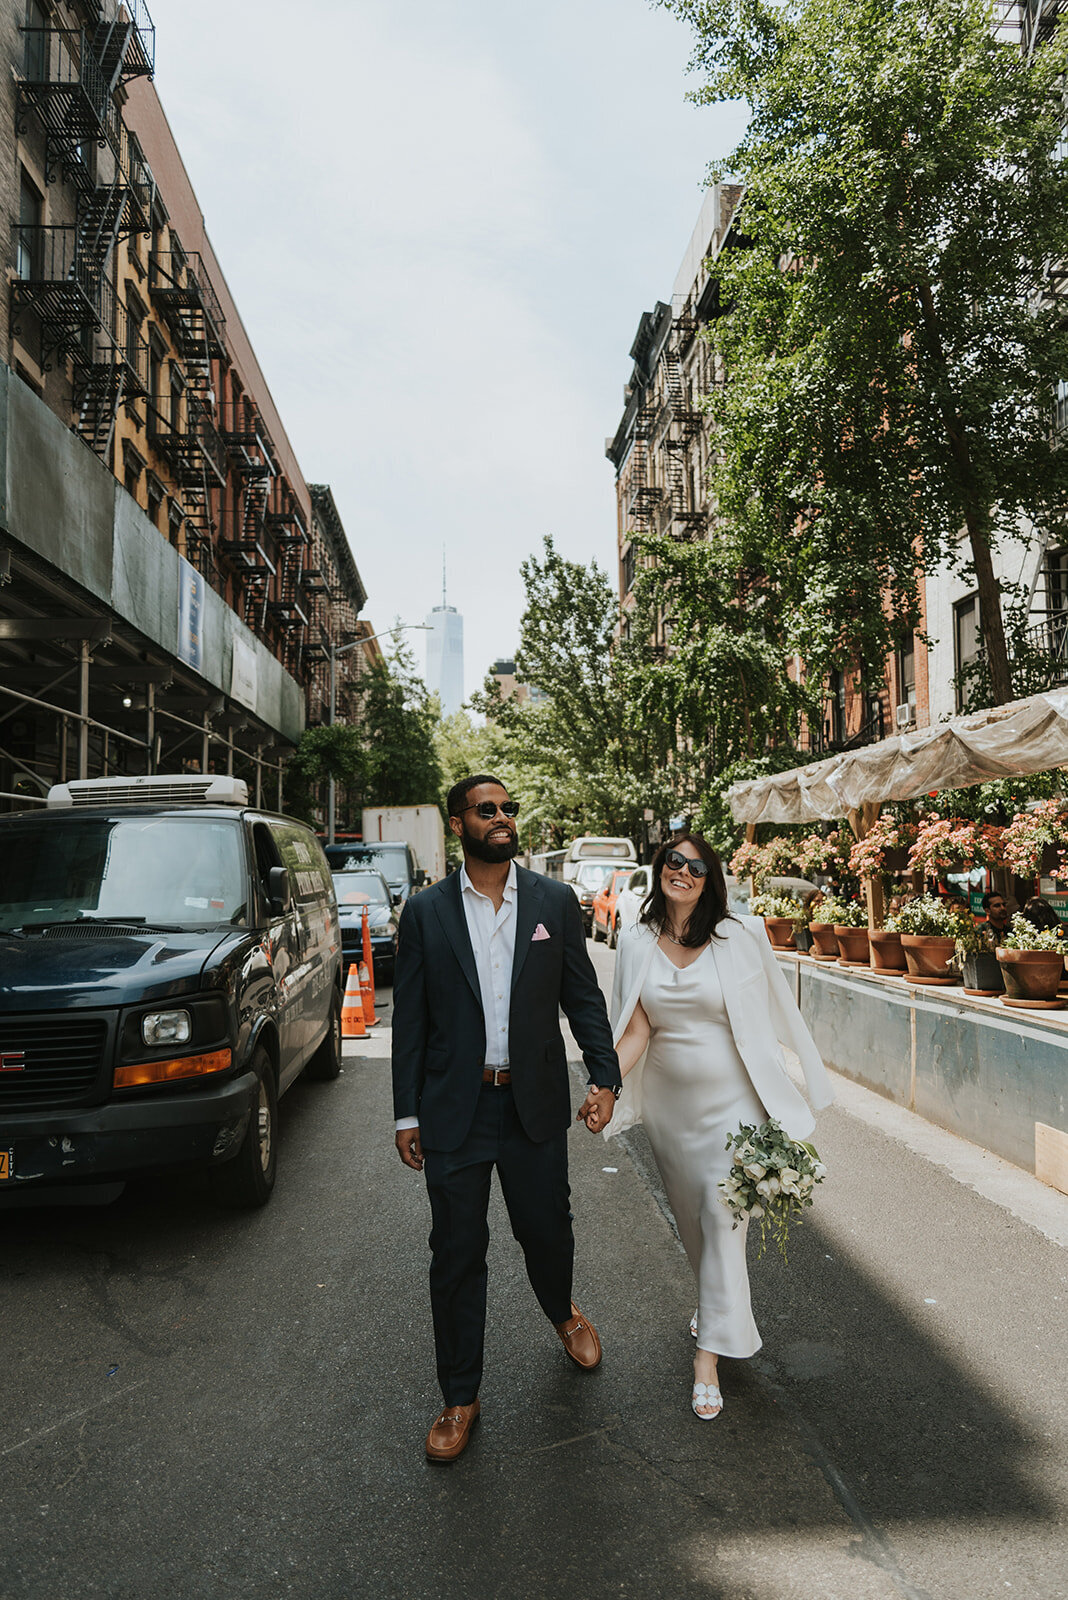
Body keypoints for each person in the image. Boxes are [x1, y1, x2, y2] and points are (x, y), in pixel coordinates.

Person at [392, 775, 621, 1462]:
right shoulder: (426, 912)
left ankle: (562, 1310)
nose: (502, 817)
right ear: (458, 823)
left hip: (534, 1105)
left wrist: (604, 1077)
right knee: (456, 1254)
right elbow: (411, 1022)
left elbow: (583, 998)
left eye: (508, 808)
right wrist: (406, 1113)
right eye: (486, 810)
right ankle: (460, 1395)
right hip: (455, 1110)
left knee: (547, 1231)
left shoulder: (554, 901)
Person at [583, 835, 832, 1421]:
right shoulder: (638, 937)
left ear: (710, 879)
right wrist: (605, 1089)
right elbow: (636, 1030)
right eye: (675, 862)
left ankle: (708, 1358)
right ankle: (713, 1304)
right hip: (672, 1111)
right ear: (659, 868)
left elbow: (775, 1013)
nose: (684, 873)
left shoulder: (739, 935)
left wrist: (789, 1094)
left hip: (734, 1107)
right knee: (693, 1222)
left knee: (722, 1218)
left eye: (698, 867)